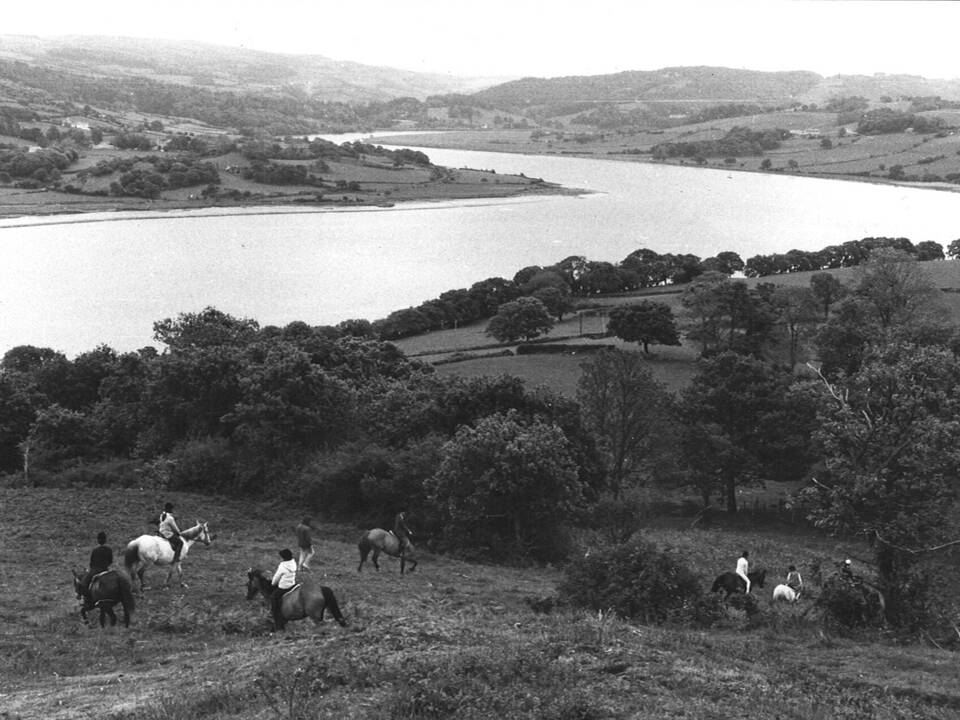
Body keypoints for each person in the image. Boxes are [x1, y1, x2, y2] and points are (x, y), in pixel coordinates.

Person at [79, 531, 113, 603]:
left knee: (84, 581)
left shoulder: (95, 550)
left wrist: (91, 568)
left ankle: (83, 596)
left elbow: (92, 562)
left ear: (98, 540)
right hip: (105, 570)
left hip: (95, 570)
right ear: (105, 540)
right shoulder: (109, 549)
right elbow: (110, 561)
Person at [271, 548, 298, 630]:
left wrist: (273, 583)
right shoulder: (294, 563)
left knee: (273, 597)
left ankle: (275, 614)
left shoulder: (282, 566)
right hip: (292, 584)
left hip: (284, 586)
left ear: (284, 557)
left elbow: (276, 578)